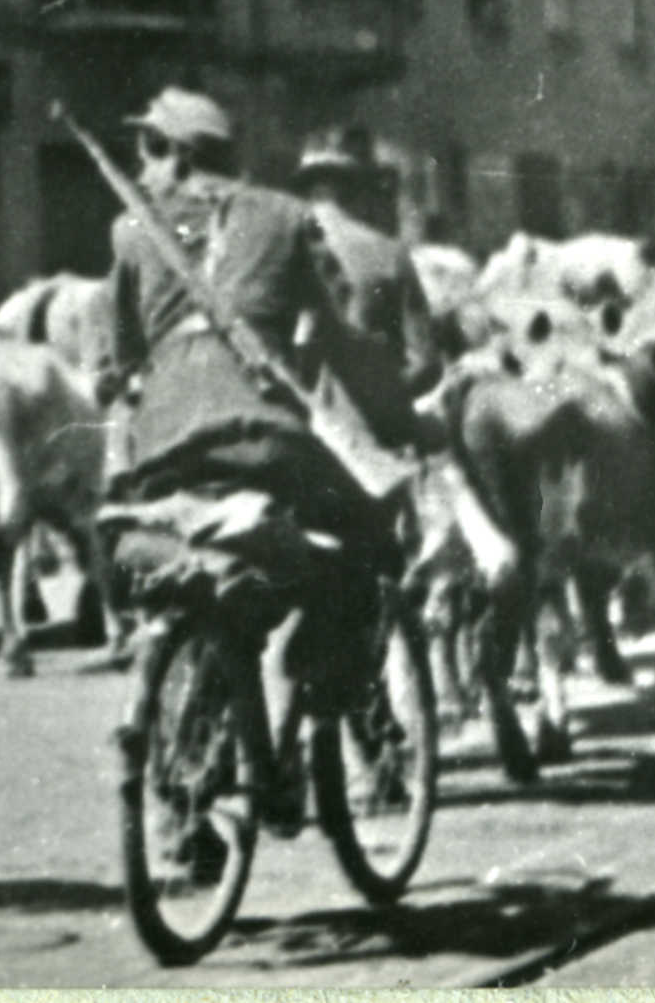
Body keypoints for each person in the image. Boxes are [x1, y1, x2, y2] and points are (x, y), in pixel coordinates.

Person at [99, 89, 412, 728]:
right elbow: (340, 329)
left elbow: (115, 362)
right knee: (360, 535)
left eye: (148, 151)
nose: (141, 170)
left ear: (176, 155)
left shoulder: (133, 231)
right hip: (262, 438)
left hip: (162, 446)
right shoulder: (288, 216)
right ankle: (317, 678)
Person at [291, 129, 443, 428]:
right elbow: (427, 364)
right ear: (356, 190)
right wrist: (381, 397)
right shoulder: (390, 252)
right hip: (375, 429)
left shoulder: (283, 246)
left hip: (302, 425)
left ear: (304, 190)